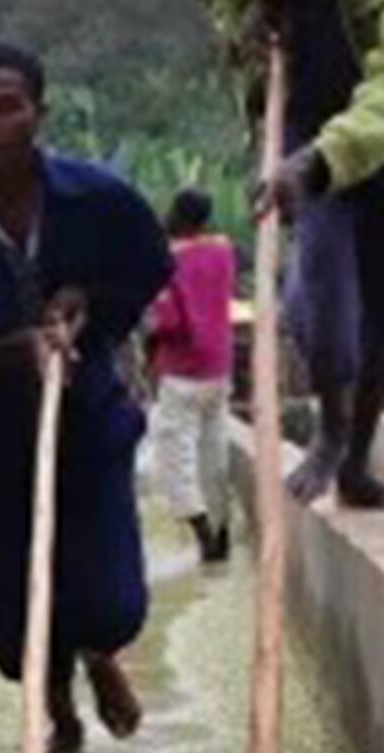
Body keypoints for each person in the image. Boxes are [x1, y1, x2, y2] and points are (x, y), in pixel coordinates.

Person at [0, 41, 173, 753]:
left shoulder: (97, 199)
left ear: (38, 114)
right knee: (14, 627)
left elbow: (149, 265)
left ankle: (100, 655)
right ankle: (55, 704)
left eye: (7, 107)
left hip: (87, 426)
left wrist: (90, 305)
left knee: (110, 602)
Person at [246, 0, 384, 507]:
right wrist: (250, 37)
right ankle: (330, 432)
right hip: (309, 134)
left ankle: (356, 462)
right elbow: (239, 40)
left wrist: (324, 159)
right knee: (326, 290)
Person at [146, 187, 237, 563]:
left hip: (182, 372)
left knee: (175, 457)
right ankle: (223, 530)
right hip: (218, 368)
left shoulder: (167, 261)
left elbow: (167, 322)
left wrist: (149, 344)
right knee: (214, 454)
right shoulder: (223, 253)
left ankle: (205, 537)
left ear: (178, 217)